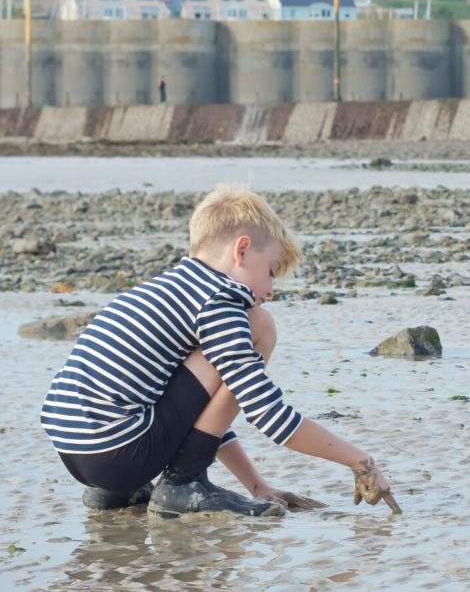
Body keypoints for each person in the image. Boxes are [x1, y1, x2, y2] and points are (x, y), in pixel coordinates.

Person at [41, 184, 401, 518]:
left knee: (215, 355)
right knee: (261, 325)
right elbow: (268, 414)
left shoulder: (171, 289)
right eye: (271, 271)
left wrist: (256, 486)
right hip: (120, 453)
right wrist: (360, 462)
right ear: (241, 250)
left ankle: (120, 493)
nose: (270, 289)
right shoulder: (217, 301)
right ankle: (181, 487)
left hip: (77, 452)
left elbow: (195, 411)